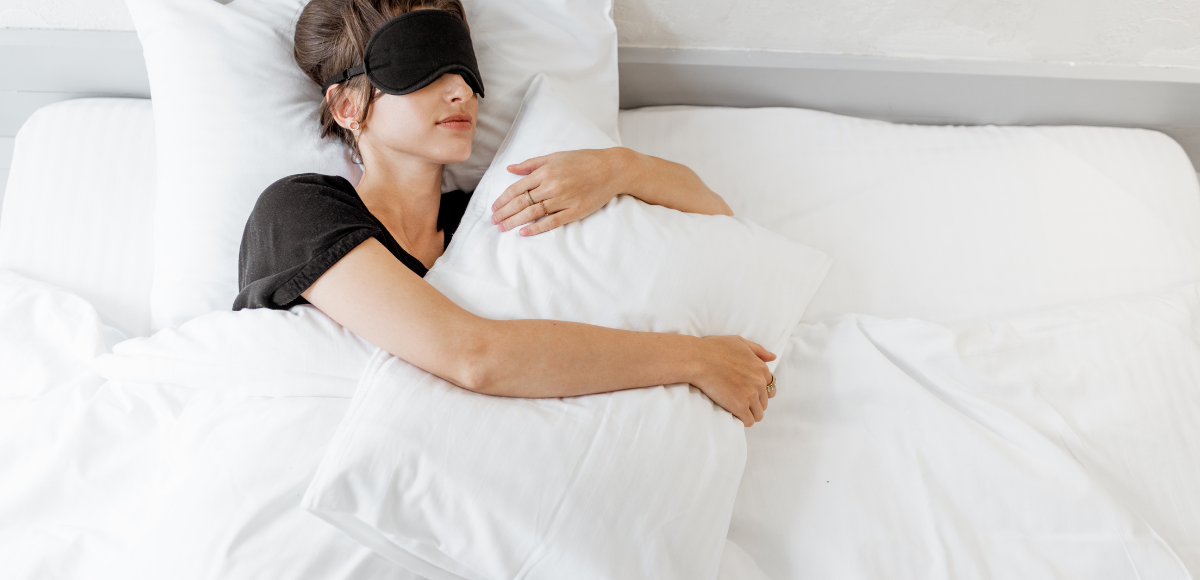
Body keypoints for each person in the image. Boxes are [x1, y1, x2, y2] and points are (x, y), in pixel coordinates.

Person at [235, 0, 777, 427]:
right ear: (348, 106)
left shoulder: (492, 216)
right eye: (421, 68)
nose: (460, 92)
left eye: (465, 71)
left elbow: (718, 225)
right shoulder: (299, 209)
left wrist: (619, 168)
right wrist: (694, 360)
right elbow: (474, 356)